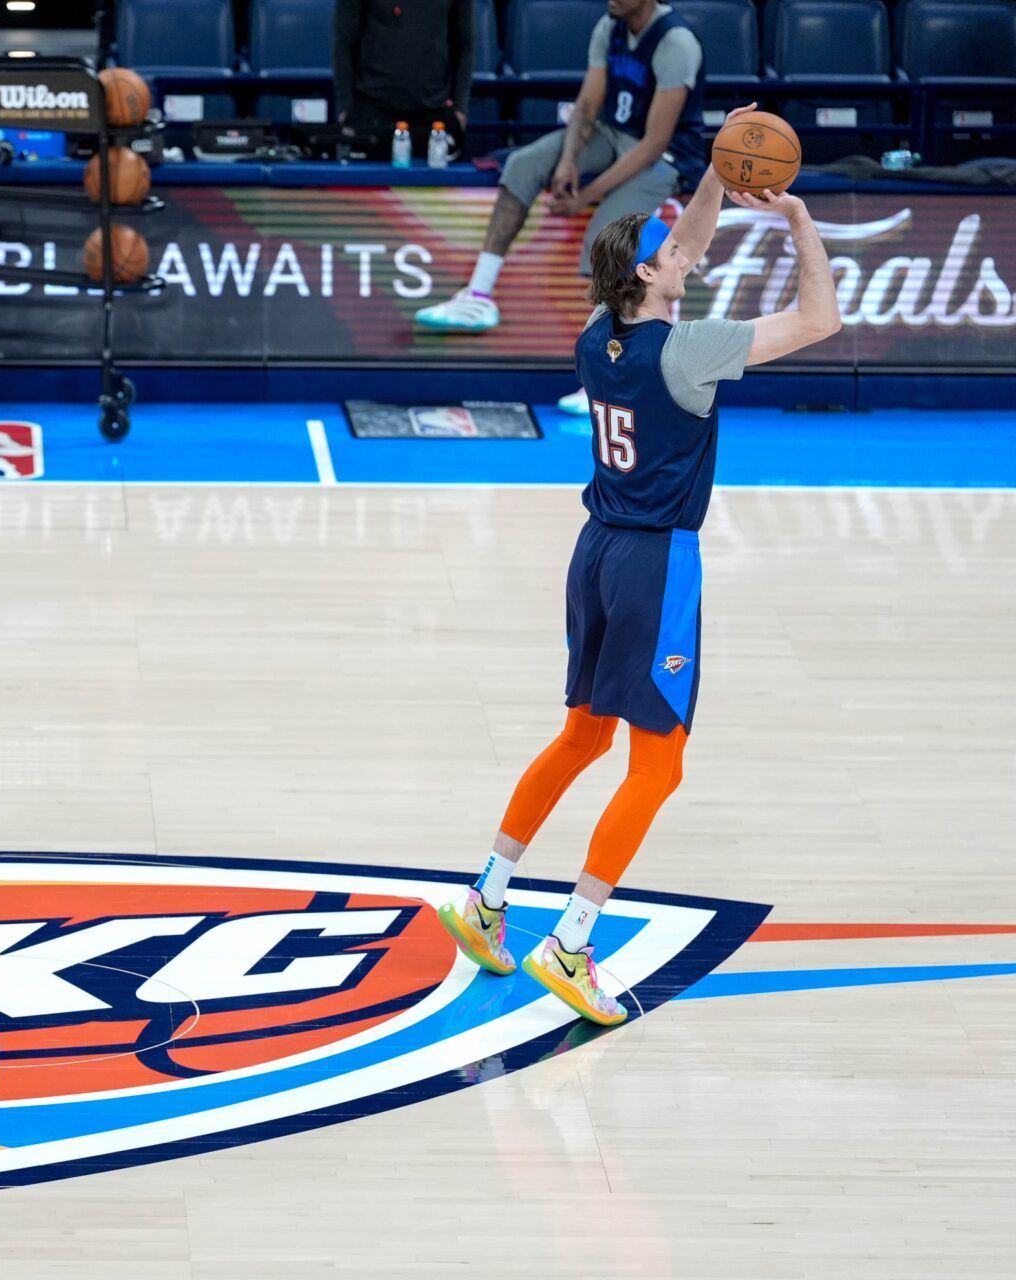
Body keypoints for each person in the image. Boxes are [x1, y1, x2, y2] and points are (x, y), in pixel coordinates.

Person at [434, 109, 841, 1025]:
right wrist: (800, 222)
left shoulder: (597, 332)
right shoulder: (690, 352)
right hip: (659, 564)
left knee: (581, 736)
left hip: (596, 553)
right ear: (651, 275)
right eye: (671, 249)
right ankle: (572, 942)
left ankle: (487, 897)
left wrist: (712, 181)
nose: (685, 248)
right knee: (658, 767)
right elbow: (821, 318)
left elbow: (680, 243)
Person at [414, 0, 706, 413]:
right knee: (523, 164)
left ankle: (610, 377)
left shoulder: (676, 41)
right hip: (611, 135)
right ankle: (478, 294)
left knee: (609, 237)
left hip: (665, 157)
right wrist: (568, 160)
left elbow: (654, 143)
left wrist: (587, 196)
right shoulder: (610, 25)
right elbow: (587, 108)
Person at [333, 0, 473, 159]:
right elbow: (344, 45)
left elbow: (465, 46)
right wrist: (346, 107)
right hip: (372, 112)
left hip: (434, 114)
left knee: (433, 183)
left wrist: (460, 107)